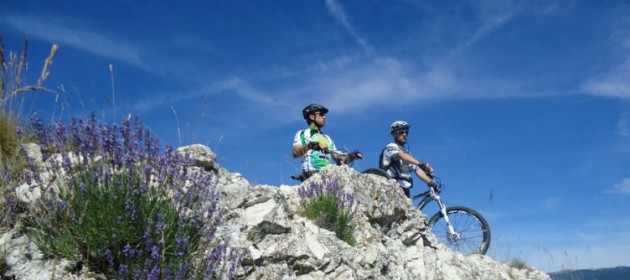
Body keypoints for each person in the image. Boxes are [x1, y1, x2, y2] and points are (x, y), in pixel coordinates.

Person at [292, 103, 362, 181]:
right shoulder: (303, 133)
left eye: (324, 115)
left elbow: (339, 159)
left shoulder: (328, 138)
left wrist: (352, 156)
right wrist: (311, 145)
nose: (324, 117)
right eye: (321, 114)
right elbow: (295, 152)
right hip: (311, 173)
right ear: (312, 116)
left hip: (328, 174)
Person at [380, 120, 437, 197]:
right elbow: (401, 155)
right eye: (401, 132)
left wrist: (430, 182)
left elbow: (417, 170)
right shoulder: (391, 146)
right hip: (390, 184)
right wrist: (420, 164)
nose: (404, 134)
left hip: (404, 188)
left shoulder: (407, 155)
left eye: (406, 132)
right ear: (394, 134)